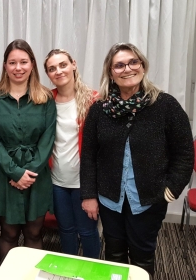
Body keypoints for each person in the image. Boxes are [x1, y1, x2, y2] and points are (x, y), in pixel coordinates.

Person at [80, 43, 194, 276]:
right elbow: (89, 155)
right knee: (113, 254)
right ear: (111, 72)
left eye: (133, 62)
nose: (127, 69)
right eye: (119, 65)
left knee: (142, 255)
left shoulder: (165, 105)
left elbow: (184, 152)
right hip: (109, 198)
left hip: (149, 199)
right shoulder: (100, 109)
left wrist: (171, 189)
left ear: (142, 66)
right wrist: (89, 195)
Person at [0, 39, 57, 261]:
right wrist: (15, 173)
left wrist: (29, 173)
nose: (18, 67)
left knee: (34, 233)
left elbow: (48, 139)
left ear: (32, 64)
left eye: (23, 62)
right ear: (5, 65)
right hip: (5, 175)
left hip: (37, 175)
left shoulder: (46, 98)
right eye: (12, 62)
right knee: (9, 233)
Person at [43, 49, 101, 259]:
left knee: (87, 232)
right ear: (48, 74)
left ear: (73, 64)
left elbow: (100, 150)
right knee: (65, 231)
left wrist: (92, 193)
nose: (58, 71)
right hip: (57, 181)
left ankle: (92, 272)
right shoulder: (46, 100)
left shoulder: (94, 100)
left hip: (83, 184)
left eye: (63, 65)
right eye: (52, 68)